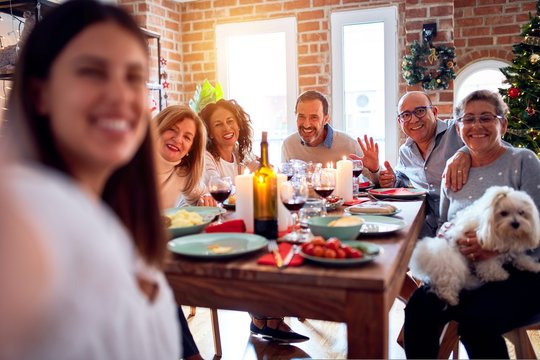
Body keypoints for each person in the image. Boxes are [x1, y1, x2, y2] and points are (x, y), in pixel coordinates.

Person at [0, 0, 180, 358]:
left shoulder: (115, 214)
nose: (119, 95)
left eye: (132, 77)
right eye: (92, 72)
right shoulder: (24, 210)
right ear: (40, 93)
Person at [404, 90, 540, 359]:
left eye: (486, 118)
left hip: (521, 272)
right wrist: (445, 234)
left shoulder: (523, 161)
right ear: (458, 127)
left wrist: (496, 248)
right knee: (418, 309)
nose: (477, 126)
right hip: (464, 272)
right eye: (469, 120)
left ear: (503, 124)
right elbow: (443, 221)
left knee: (477, 322)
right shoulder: (453, 170)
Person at [198, 96, 309, 343]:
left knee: (276, 239)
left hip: (240, 221)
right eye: (218, 125)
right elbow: (222, 191)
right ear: (210, 132)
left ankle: (267, 319)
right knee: (263, 246)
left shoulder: (239, 152)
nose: (227, 128)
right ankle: (264, 319)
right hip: (215, 228)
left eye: (230, 121)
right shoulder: (207, 158)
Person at [378, 91, 471, 237]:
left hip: (464, 226)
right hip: (425, 229)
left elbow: (498, 147)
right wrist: (392, 179)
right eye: (406, 115)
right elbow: (401, 179)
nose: (414, 119)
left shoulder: (457, 130)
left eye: (420, 111)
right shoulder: (405, 151)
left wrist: (465, 151)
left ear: (434, 112)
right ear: (399, 121)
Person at [281, 90, 381, 183]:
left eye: (314, 117)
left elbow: (379, 183)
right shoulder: (288, 145)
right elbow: (284, 184)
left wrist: (374, 170)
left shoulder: (349, 144)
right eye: (301, 116)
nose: (306, 124)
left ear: (325, 119)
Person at [153, 105, 216, 208]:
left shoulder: (183, 174)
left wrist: (206, 197)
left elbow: (203, 194)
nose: (178, 140)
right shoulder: (128, 161)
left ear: (191, 148)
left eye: (187, 137)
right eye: (172, 129)